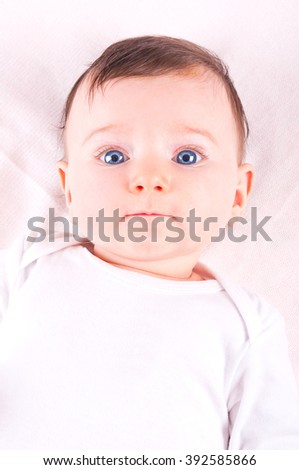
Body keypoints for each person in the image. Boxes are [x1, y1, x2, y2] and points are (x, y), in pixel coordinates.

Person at [0, 35, 299, 450]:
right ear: (69, 189)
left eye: (187, 156)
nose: (148, 179)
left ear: (236, 192)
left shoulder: (247, 324)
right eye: (113, 156)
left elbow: (276, 448)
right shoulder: (30, 265)